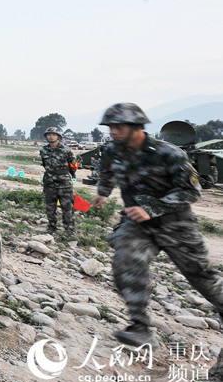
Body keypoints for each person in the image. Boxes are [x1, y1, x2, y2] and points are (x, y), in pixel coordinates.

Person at [92, 102, 223, 348]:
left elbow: (191, 191)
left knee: (202, 277)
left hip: (176, 224)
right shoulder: (112, 151)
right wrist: (103, 192)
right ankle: (140, 328)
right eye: (110, 127)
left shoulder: (169, 153)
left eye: (119, 126)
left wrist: (151, 208)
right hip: (138, 224)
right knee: (125, 260)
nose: (113, 132)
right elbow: (107, 172)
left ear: (137, 127)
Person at [40, 127, 76, 236]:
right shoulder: (43, 150)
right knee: (50, 206)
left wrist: (68, 173)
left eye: (53, 134)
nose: (51, 136)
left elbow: (73, 165)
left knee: (67, 206)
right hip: (49, 182)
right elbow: (44, 164)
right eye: (49, 134)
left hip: (64, 183)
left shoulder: (66, 150)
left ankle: (69, 230)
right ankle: (52, 227)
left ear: (58, 137)